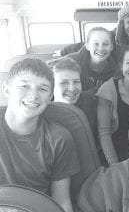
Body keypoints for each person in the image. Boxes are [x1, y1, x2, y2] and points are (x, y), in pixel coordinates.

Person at [0, 58, 80, 212]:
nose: (33, 95)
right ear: (7, 90)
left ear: (50, 97)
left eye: (43, 89)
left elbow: (61, 201)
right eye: (24, 86)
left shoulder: (59, 138)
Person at [50, 57, 101, 156]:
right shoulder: (43, 112)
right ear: (51, 86)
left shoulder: (91, 101)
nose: (72, 88)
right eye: (64, 83)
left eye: (76, 82)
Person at [66, 27, 120, 92]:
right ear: (87, 46)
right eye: (96, 44)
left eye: (105, 44)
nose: (101, 49)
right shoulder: (70, 62)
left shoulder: (117, 71)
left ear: (111, 47)